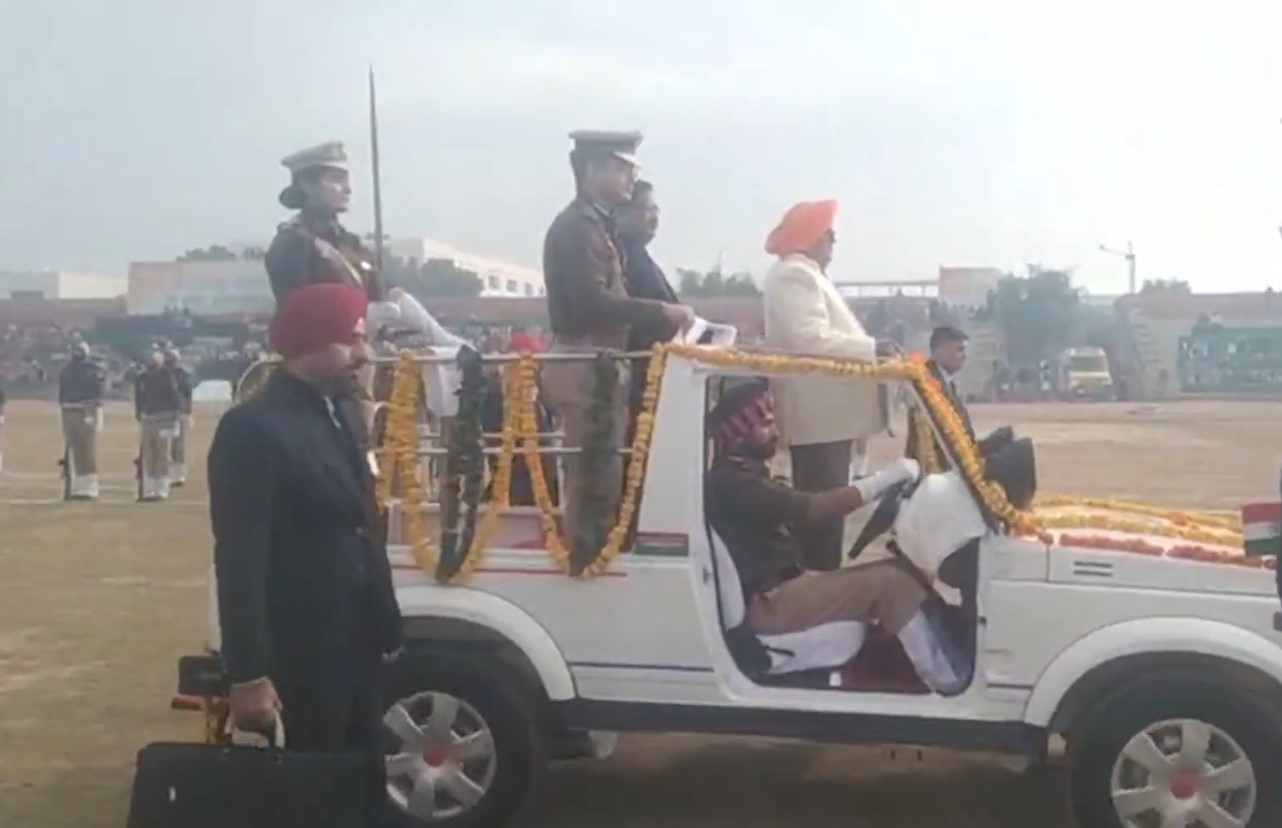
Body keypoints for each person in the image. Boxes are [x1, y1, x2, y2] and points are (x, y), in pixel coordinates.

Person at [209, 282, 400, 826]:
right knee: (312, 803)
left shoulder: (338, 415)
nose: (363, 354)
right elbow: (240, 561)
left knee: (360, 793)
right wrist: (247, 675)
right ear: (308, 343)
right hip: (302, 659)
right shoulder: (253, 428)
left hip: (357, 646)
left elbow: (361, 526)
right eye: (352, 340)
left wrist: (385, 622)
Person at [704, 380, 962, 693]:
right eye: (765, 425)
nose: (774, 432)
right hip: (770, 603)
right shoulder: (733, 484)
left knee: (901, 571)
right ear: (739, 435)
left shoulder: (744, 475)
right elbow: (814, 508)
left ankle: (946, 663)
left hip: (785, 588)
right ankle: (948, 686)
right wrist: (885, 478)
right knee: (893, 584)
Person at [541, 130, 694, 569]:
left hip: (602, 360)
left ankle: (595, 557)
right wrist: (662, 311)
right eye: (621, 167)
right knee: (591, 479)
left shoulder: (595, 224)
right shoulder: (576, 227)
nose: (630, 178)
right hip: (584, 358)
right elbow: (592, 303)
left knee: (604, 476)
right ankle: (586, 565)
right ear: (591, 170)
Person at [762, 199, 882, 571]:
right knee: (822, 520)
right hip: (818, 420)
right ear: (810, 236)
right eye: (829, 233)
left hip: (830, 420)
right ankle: (815, 599)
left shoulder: (808, 274)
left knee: (829, 520)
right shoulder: (792, 275)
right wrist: (872, 349)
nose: (834, 240)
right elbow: (809, 340)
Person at [58, 342, 106, 500]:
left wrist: (96, 412)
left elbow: (98, 394)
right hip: (69, 409)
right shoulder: (67, 370)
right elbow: (62, 391)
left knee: (87, 449)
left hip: (86, 409)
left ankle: (90, 486)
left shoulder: (93, 370)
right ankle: (77, 485)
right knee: (74, 449)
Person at [135, 350, 183, 501]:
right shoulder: (142, 378)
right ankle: (150, 487)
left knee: (162, 453)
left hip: (164, 419)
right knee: (149, 454)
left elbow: (174, 397)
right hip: (148, 418)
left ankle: (161, 487)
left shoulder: (167, 377)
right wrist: (139, 413)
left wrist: (175, 417)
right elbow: (139, 398)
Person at [164, 348, 194, 486]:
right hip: (164, 413)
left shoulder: (183, 374)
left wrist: (188, 413)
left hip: (179, 412)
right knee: (164, 445)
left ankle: (178, 474)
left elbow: (188, 395)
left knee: (178, 445)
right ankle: (166, 474)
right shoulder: (162, 374)